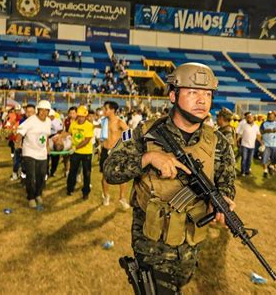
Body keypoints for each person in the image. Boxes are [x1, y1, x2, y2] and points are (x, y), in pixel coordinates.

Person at [104, 62, 236, 294]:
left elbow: (226, 182)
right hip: (151, 245)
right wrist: (147, 158)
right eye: (193, 92)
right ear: (173, 95)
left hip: (191, 246)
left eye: (207, 94)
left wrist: (225, 199)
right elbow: (110, 169)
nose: (202, 100)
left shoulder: (220, 144)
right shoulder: (139, 132)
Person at [17, 100, 52, 208]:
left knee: (42, 175)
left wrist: (47, 147)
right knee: (31, 175)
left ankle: (38, 194)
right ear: (38, 110)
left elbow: (46, 136)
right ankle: (31, 197)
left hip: (42, 153)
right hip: (29, 151)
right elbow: (20, 132)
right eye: (41, 110)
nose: (44, 113)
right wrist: (18, 143)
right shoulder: (31, 121)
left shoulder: (48, 122)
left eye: (46, 111)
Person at [100, 101, 130, 209]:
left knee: (122, 176)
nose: (104, 110)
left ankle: (122, 198)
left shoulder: (119, 122)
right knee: (105, 175)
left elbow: (129, 135)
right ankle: (106, 196)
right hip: (105, 151)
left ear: (112, 110)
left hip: (116, 152)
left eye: (106, 109)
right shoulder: (103, 121)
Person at [67, 106, 94, 199]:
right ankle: (70, 188)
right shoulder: (73, 124)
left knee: (86, 173)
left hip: (86, 153)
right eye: (79, 116)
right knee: (72, 171)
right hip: (75, 152)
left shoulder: (89, 125)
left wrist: (75, 147)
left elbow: (86, 140)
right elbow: (69, 134)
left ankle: (85, 192)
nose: (81, 118)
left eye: (83, 116)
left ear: (85, 116)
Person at [237, 112, 262, 176]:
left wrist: (262, 143)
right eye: (248, 118)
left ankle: (247, 171)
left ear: (253, 118)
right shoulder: (244, 126)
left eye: (250, 118)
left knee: (250, 160)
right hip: (244, 145)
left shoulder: (256, 126)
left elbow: (258, 135)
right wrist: (236, 141)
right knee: (244, 159)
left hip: (252, 146)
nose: (249, 119)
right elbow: (239, 134)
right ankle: (243, 171)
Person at [260, 111, 276, 178]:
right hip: (266, 144)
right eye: (269, 116)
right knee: (264, 159)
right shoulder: (264, 123)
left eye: (272, 116)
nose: (271, 117)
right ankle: (265, 171)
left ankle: (271, 166)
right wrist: (266, 131)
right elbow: (260, 131)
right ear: (267, 116)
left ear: (274, 117)